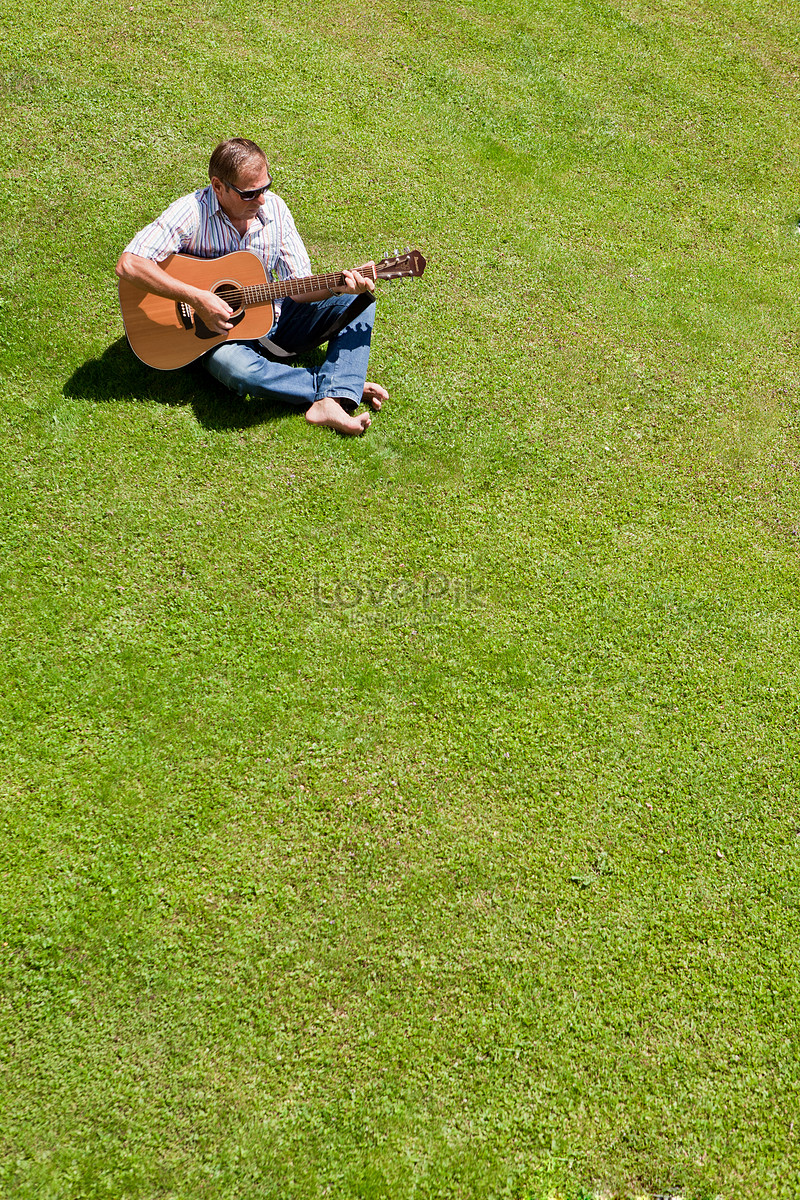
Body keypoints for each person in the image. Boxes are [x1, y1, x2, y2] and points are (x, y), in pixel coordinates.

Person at [115, 137, 388, 436]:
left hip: (276, 319)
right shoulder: (192, 212)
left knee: (360, 300)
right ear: (218, 186)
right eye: (249, 194)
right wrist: (196, 298)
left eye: (265, 187)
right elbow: (130, 264)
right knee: (239, 371)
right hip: (215, 337)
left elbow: (298, 287)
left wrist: (338, 287)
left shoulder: (275, 210)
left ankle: (332, 395)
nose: (261, 200)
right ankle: (337, 386)